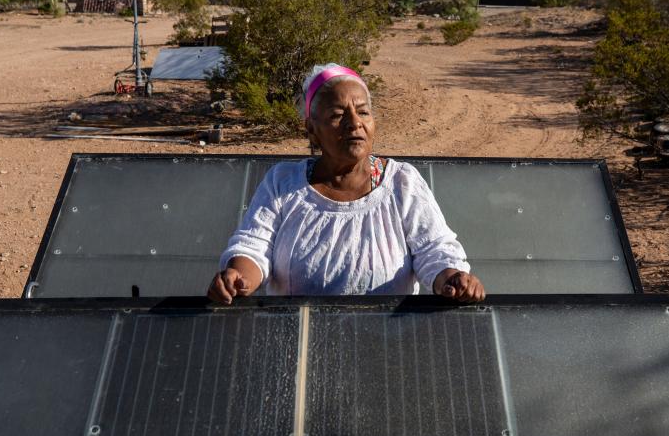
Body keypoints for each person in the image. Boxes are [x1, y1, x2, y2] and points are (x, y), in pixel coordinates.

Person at [207, 63, 484, 304]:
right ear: (312, 130)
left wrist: (453, 279)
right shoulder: (283, 183)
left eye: (363, 112)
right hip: (297, 341)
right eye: (337, 115)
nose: (354, 123)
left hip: (384, 344)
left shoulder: (401, 183)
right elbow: (253, 246)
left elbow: (434, 251)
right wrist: (237, 278)